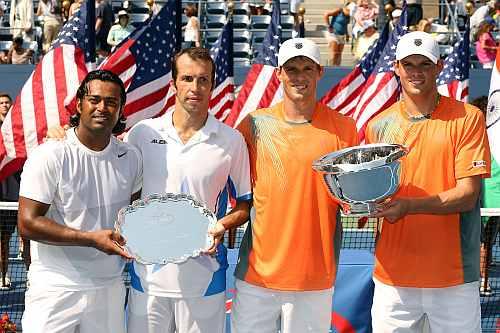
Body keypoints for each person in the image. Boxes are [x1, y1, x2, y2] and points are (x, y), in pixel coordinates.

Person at [231, 38, 359, 333]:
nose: (299, 77)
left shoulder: (345, 128)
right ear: (279, 74)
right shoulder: (253, 125)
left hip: (314, 278)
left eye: (306, 69)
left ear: (320, 72)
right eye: (291, 69)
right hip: (257, 277)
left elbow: (351, 199)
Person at [365, 31, 490, 332]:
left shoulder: (468, 118)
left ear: (438, 67)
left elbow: (467, 195)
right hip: (393, 278)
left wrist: (408, 206)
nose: (416, 72)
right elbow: (374, 194)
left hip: (453, 278)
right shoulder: (377, 126)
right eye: (409, 64)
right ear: (396, 67)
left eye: (425, 64)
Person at [125, 47, 251, 333]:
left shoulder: (231, 141)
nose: (195, 87)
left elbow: (244, 204)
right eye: (187, 78)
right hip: (147, 278)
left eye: (203, 80)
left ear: (211, 85)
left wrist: (221, 226)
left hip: (205, 279)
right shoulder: (143, 133)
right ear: (174, 84)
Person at [17, 70, 142, 333]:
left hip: (109, 287)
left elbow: (135, 218)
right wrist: (90, 238)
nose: (102, 107)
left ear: (120, 109)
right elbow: (27, 224)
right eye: (94, 99)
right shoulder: (50, 155)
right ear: (79, 104)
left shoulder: (131, 157)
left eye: (111, 102)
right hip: (55, 288)